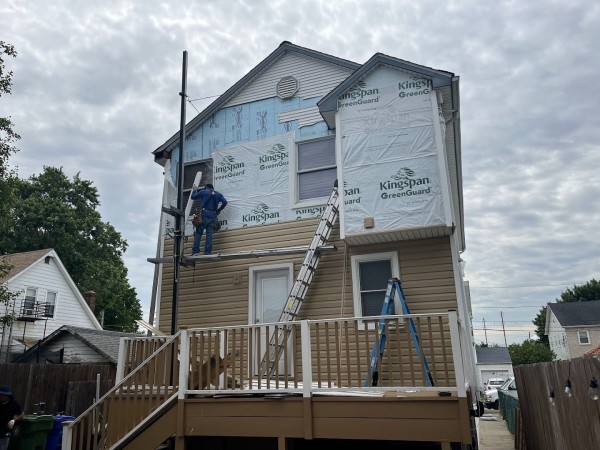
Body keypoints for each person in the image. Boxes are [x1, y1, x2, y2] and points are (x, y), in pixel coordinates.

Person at [190, 183, 227, 255]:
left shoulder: (204, 192)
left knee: (198, 233)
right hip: (213, 216)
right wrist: (219, 210)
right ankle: (207, 252)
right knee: (209, 235)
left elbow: (193, 197)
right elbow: (225, 202)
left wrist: (195, 190)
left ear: (206, 187)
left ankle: (196, 251)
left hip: (203, 215)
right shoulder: (218, 194)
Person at [0, 385, 23, 450]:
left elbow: (22, 414)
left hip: (5, 433)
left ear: (8, 396)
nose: (1, 396)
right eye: (0, 394)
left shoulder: (14, 404)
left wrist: (14, 420)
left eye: (3, 395)